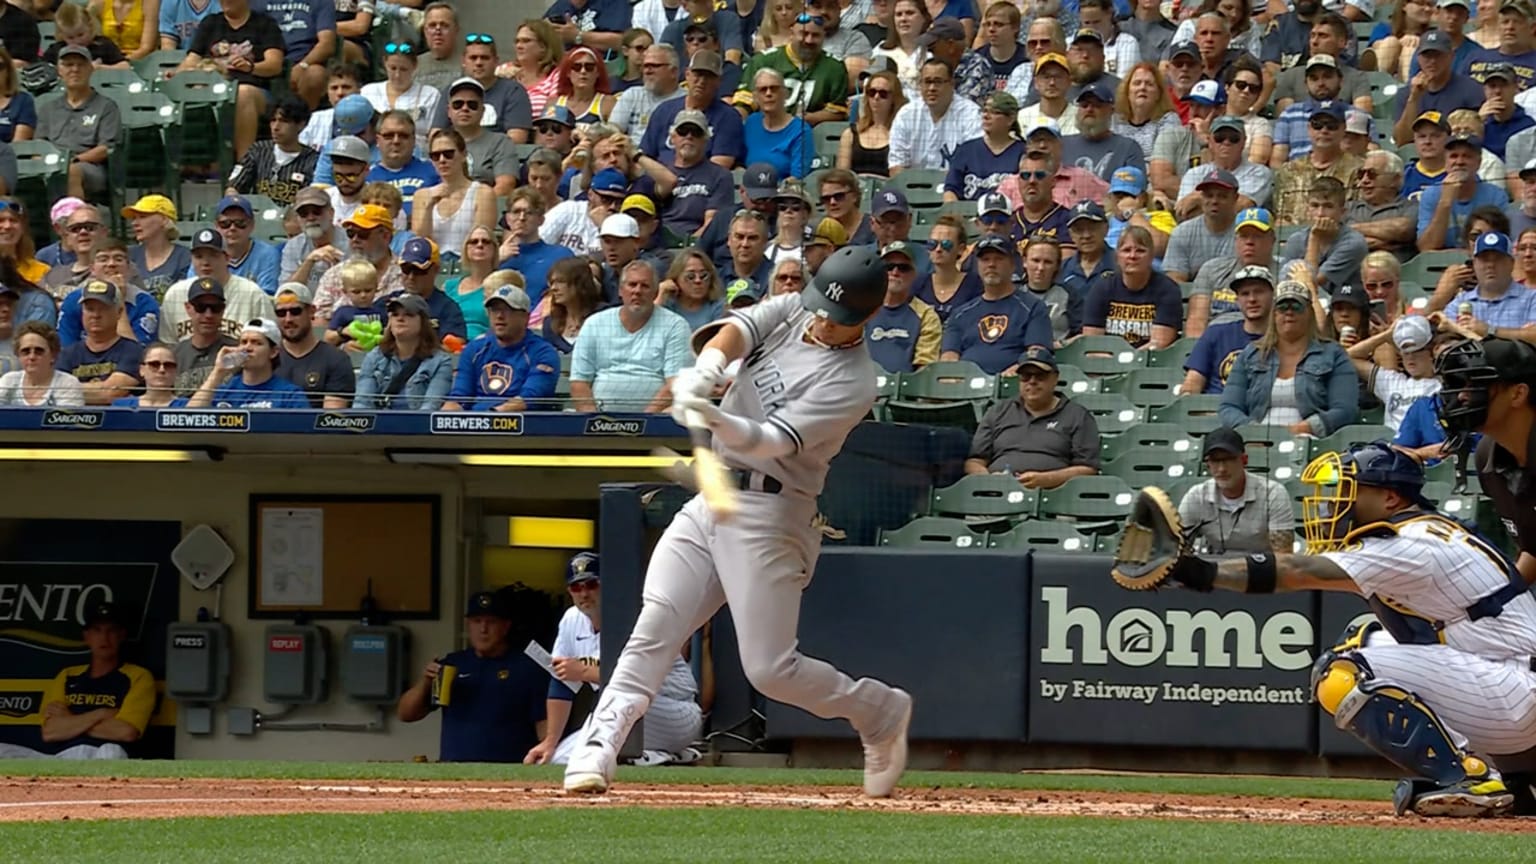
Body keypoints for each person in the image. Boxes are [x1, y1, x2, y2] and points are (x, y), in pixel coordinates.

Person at [562, 246, 912, 797]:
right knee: (657, 624)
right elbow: (737, 331)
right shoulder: (797, 306)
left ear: (868, 318)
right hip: (713, 493)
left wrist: (715, 417)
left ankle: (879, 712)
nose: (822, 321)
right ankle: (598, 745)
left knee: (772, 671)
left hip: (774, 513)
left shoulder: (856, 381)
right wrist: (706, 371)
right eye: (821, 307)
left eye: (838, 318)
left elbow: (774, 441)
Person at [1123, 439, 1536, 818]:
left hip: (1515, 688)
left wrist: (1198, 570)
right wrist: (1183, 574)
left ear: (1390, 498)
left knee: (1343, 674)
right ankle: (1511, 777)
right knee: (1365, 637)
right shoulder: (1421, 532)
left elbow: (1296, 570)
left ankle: (1473, 780)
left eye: (1351, 490)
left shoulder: (1407, 544)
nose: (1333, 503)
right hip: (1510, 680)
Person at [525, 553, 704, 766]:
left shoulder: (636, 618)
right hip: (620, 711)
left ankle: (656, 756)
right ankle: (653, 757)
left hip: (674, 711)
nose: (584, 593)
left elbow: (637, 681)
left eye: (591, 585)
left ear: (608, 585)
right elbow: (561, 684)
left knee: (613, 707)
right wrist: (550, 741)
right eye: (576, 588)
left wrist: (583, 671)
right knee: (559, 759)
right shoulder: (571, 619)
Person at [396, 591, 548, 763]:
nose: (483, 629)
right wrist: (425, 681)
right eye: (477, 622)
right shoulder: (452, 665)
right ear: (468, 625)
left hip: (509, 770)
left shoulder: (527, 668)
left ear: (505, 626)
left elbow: (544, 726)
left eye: (491, 622)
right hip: (454, 770)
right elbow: (406, 714)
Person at [0, 603, 152, 760]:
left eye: (111, 631)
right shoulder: (68, 675)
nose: (104, 637)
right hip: (61, 757)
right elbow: (50, 731)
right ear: (87, 636)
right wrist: (101, 713)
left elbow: (126, 732)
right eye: (97, 630)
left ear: (121, 635)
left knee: (111, 751)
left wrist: (70, 719)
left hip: (100, 754)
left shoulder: (137, 676)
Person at [1218, 278, 1358, 435]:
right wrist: (1253, 431)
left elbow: (1345, 409)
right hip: (1255, 442)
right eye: (1282, 307)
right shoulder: (1250, 354)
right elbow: (1229, 407)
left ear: (1309, 313)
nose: (1289, 312)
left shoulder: (1334, 353)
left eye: (1296, 307)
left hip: (1313, 442)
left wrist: (1304, 428)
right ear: (1274, 314)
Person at [963, 344, 1101, 487]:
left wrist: (1046, 479)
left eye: (1040, 376)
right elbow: (974, 461)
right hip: (996, 493)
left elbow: (1088, 469)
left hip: (1054, 495)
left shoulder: (1077, 415)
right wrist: (989, 480)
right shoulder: (998, 411)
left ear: (1055, 378)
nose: (1032, 381)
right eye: (1026, 376)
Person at [569, 261, 691, 413]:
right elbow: (579, 382)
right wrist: (595, 422)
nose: (637, 291)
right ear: (620, 290)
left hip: (657, 421)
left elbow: (675, 384)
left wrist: (644, 422)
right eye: (632, 285)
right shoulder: (595, 323)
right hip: (599, 422)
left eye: (645, 286)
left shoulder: (675, 325)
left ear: (655, 292)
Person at [174, 0, 285, 161]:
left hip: (254, 90)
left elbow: (274, 65)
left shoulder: (265, 23)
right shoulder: (210, 23)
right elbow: (192, 59)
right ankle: (196, 163)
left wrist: (250, 67)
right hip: (212, 88)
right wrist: (180, 73)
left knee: (242, 93)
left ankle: (244, 165)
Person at [937, 236, 1052, 374]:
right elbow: (949, 357)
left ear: (1013, 265)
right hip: (965, 386)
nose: (991, 264)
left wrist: (1012, 375)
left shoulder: (1033, 307)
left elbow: (1036, 355)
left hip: (1013, 385)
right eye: (985, 260)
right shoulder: (960, 314)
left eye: (998, 259)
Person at [1175, 426, 1295, 555]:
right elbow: (1177, 550)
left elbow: (1283, 555)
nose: (1221, 469)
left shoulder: (1273, 493)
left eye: (1229, 459)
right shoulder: (1196, 496)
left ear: (1244, 460)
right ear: (1207, 465)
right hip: (1214, 570)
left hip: (1263, 569)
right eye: (1215, 461)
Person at [441, 283, 560, 412]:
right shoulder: (474, 349)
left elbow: (529, 399)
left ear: (526, 317)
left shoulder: (543, 352)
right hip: (473, 423)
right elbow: (460, 396)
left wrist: (491, 418)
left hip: (519, 424)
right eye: (494, 310)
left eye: (508, 310)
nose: (499, 316)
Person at [734, 10, 850, 125]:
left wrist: (806, 119)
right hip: (764, 129)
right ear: (791, 34)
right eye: (804, 34)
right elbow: (744, 103)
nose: (809, 40)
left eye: (815, 35)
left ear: (824, 36)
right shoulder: (763, 61)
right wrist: (734, 122)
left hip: (811, 133)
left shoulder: (835, 67)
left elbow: (837, 111)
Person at [35, 46, 120, 201]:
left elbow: (106, 148)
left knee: (72, 171)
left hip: (89, 167)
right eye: (68, 65)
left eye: (81, 65)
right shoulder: (48, 108)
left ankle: (75, 221)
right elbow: (39, 145)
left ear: (91, 69)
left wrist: (73, 161)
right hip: (50, 165)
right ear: (59, 70)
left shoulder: (106, 106)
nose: (75, 69)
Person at [641, 50, 745, 170]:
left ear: (718, 81)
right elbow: (646, 155)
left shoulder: (728, 117)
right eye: (697, 74)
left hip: (702, 184)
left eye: (708, 76)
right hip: (659, 181)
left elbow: (719, 167)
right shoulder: (664, 111)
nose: (701, 81)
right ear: (687, 74)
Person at [1082, 226, 1181, 349]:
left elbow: (1159, 344)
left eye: (1140, 250)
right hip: (1106, 361)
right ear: (1117, 257)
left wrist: (1128, 359)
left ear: (1151, 257)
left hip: (1149, 362)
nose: (1132, 256)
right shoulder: (1102, 287)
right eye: (1126, 250)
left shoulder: (1168, 289)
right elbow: (1092, 342)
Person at [352, 292, 454, 411]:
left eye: (408, 314)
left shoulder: (440, 362)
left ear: (424, 322)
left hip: (417, 425)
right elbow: (362, 405)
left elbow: (431, 407)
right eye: (395, 315)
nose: (400, 319)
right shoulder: (374, 357)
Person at [1183, 265, 1275, 395]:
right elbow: (1192, 383)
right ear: (1237, 300)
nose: (1252, 299)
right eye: (1245, 294)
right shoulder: (1215, 334)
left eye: (1259, 292)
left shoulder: (1285, 338)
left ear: (1273, 296)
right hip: (1213, 410)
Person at [1273, 101, 1364, 227]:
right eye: (1318, 125)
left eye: (1331, 126)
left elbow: (1360, 217)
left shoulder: (1360, 170)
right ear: (1309, 128)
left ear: (1343, 129)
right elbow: (1280, 217)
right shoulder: (1288, 171)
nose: (1324, 130)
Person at [428, 34, 534, 142]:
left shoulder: (513, 91)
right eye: (473, 58)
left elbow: (517, 139)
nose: (479, 63)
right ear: (463, 61)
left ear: (496, 61)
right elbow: (436, 135)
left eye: (485, 58)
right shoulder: (451, 90)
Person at [887, 57, 982, 175]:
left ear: (952, 84)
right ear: (920, 84)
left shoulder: (971, 114)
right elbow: (896, 165)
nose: (932, 88)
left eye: (938, 82)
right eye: (927, 82)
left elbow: (975, 163)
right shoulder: (906, 114)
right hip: (913, 187)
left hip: (956, 187)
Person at [1418, 134, 1511, 252]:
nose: (1459, 162)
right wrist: (1445, 203)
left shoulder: (1496, 195)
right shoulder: (1430, 194)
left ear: (1478, 163)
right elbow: (1426, 248)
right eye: (1453, 156)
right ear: (1445, 163)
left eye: (1467, 156)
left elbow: (1501, 244)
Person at [188, 317, 310, 408]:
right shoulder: (223, 391)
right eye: (244, 342)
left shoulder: (289, 395)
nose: (247, 348)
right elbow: (189, 420)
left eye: (256, 342)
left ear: (273, 352)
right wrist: (217, 372)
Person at [55, 280, 143, 405]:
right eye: (90, 309)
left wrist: (68, 390)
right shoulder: (67, 354)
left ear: (119, 312)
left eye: (103, 309)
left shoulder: (133, 351)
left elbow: (109, 394)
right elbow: (54, 391)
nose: (95, 315)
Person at [1391, 30, 1484, 146]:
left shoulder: (1472, 89)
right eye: (1427, 56)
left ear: (1451, 56)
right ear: (1418, 58)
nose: (1432, 61)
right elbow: (1401, 140)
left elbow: (1477, 136)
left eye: (1438, 55)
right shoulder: (1406, 94)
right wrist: (1414, 99)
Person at [271, 282, 354, 408]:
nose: (288, 319)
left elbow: (331, 419)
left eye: (295, 311)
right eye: (281, 313)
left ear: (311, 311)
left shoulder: (336, 359)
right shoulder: (266, 358)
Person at [1281, 176, 1369, 293]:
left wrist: (1314, 238)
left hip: (1343, 304)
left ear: (1342, 212)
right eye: (1315, 206)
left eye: (1328, 206)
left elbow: (1310, 284)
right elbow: (1289, 284)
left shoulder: (1354, 243)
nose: (1320, 213)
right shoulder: (1296, 240)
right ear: (1308, 209)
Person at [864, 241, 940, 373]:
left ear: (914, 273)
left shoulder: (926, 315)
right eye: (889, 267)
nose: (895, 272)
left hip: (906, 390)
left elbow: (924, 369)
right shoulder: (861, 307)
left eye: (903, 268)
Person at [658, 111, 733, 239]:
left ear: (705, 140)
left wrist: (689, 245)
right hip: (660, 242)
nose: (689, 136)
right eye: (683, 131)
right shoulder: (660, 173)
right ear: (673, 137)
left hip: (698, 244)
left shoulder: (720, 176)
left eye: (696, 132)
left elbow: (712, 224)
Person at [442, 79, 519, 199]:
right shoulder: (439, 143)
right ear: (449, 111)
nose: (465, 108)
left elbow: (505, 186)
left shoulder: (500, 142)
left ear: (482, 111)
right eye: (458, 104)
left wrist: (474, 206)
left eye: (472, 105)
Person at [943, 91, 1025, 203]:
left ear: (1010, 119)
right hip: (967, 216)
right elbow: (950, 191)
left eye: (994, 112)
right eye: (985, 111)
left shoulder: (1023, 152)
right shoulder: (966, 150)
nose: (986, 116)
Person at [1163, 168, 1239, 283]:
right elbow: (1175, 280)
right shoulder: (1182, 233)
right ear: (1201, 197)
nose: (1214, 201)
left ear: (1235, 198)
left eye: (1222, 196)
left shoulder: (1245, 231)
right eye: (1209, 195)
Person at [1060, 81, 1142, 182]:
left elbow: (1134, 191)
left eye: (1097, 105)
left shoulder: (1128, 148)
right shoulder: (1062, 145)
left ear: (1111, 111)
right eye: (1084, 105)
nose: (1089, 109)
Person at [366, 111, 439, 221]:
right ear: (377, 140)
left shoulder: (434, 170)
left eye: (403, 136)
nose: (396, 141)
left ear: (414, 140)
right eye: (389, 136)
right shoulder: (366, 176)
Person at [170, 277, 236, 396]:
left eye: (215, 308)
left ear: (223, 309)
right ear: (188, 308)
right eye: (201, 307)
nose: (208, 315)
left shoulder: (236, 351)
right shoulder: (174, 355)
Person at [609, 44, 682, 144]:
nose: (647, 71)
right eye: (645, 66)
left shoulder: (685, 100)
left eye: (654, 66)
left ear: (673, 72)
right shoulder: (632, 94)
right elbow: (613, 128)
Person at [912, 214, 978, 322]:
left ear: (961, 249)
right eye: (932, 244)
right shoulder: (918, 283)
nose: (938, 249)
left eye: (946, 244)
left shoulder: (975, 285)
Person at [1110, 62, 1179, 164]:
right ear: (1127, 91)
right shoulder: (1115, 120)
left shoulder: (1168, 120)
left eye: (1149, 84)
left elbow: (1163, 163)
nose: (1142, 88)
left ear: (1158, 94)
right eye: (1137, 83)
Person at [0, 322, 82, 406]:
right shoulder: (9, 381)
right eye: (26, 351)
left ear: (53, 355)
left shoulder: (67, 383)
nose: (32, 357)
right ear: (18, 355)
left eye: (39, 351)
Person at [1019, 237, 1080, 345]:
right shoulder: (1012, 293)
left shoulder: (1069, 294)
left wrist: (1062, 344)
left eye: (1048, 262)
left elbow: (1082, 333)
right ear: (1024, 262)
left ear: (1057, 266)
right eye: (1035, 260)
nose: (1041, 267)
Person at [538, 261, 603, 353]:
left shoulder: (603, 316)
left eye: (560, 282)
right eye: (552, 283)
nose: (554, 288)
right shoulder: (550, 324)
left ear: (580, 284)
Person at [661, 248, 726, 332]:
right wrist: (661, 294)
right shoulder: (668, 305)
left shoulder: (718, 306)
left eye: (704, 275)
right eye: (690, 276)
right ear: (676, 278)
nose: (698, 280)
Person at [112, 342, 187, 408]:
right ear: (142, 370)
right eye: (154, 364)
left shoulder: (187, 405)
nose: (162, 370)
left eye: (169, 365)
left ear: (176, 371)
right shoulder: (121, 405)